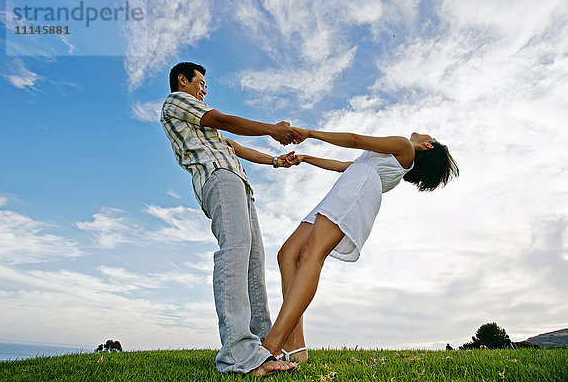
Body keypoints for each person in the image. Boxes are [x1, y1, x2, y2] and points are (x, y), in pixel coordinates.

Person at [262, 128, 459, 363]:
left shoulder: (404, 146)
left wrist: (309, 133)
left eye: (433, 138)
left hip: (355, 191)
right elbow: (346, 166)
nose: (428, 134)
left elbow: (355, 140)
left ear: (428, 145)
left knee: (312, 255)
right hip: (348, 187)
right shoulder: (393, 161)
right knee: (288, 254)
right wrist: (306, 159)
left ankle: (271, 346)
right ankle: (296, 346)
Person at [160, 62, 303, 376]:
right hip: (219, 178)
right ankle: (238, 353)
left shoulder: (204, 127)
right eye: (201, 83)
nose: (204, 90)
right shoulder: (176, 102)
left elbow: (236, 147)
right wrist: (271, 128)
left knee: (254, 258)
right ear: (182, 81)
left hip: (239, 182)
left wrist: (277, 161)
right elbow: (222, 119)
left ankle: (264, 349)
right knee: (236, 251)